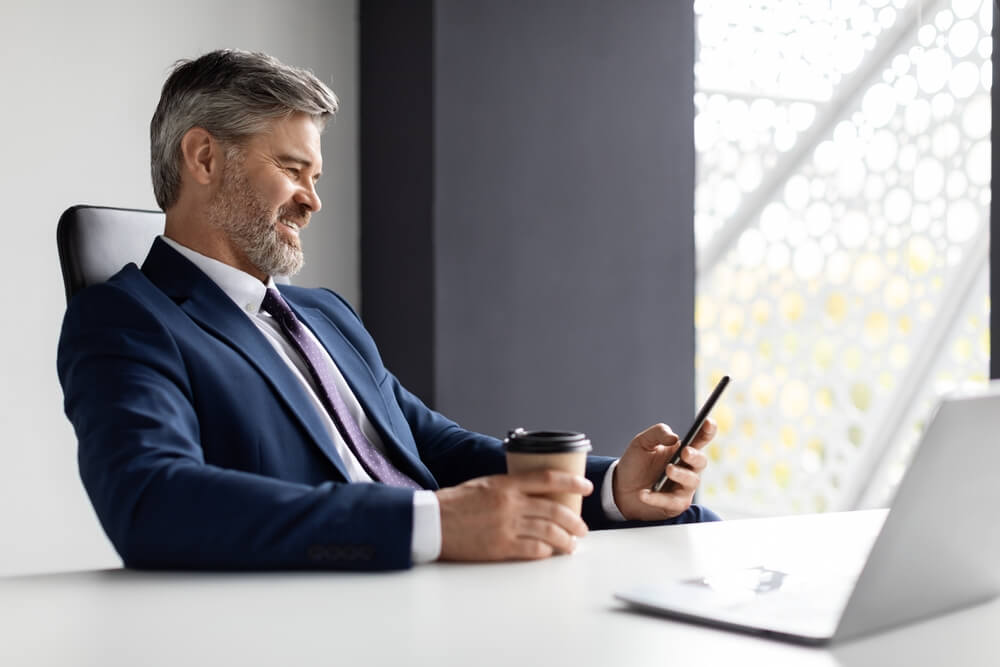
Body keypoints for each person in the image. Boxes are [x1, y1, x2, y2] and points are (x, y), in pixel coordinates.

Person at [57, 49, 719, 572]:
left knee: (699, 543)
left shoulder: (325, 315)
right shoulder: (126, 320)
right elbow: (153, 500)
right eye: (293, 170)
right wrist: (431, 524)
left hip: (467, 584)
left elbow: (438, 447)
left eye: (315, 177)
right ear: (204, 157)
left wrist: (607, 491)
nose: (312, 200)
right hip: (357, 614)